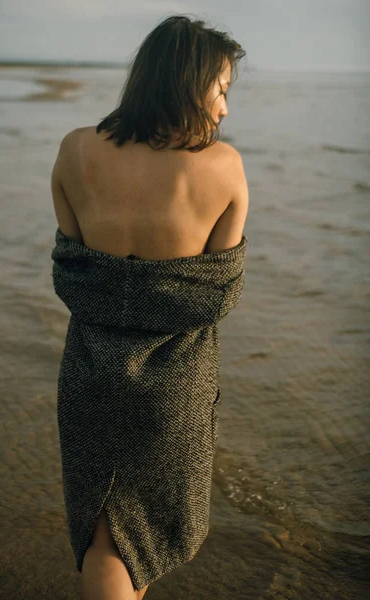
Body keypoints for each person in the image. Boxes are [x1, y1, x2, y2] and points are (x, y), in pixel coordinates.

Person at [51, 14, 249, 600]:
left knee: (105, 533)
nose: (225, 108)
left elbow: (73, 266)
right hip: (175, 381)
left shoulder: (75, 149)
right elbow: (219, 290)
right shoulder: (224, 167)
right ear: (188, 82)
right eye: (221, 89)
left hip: (89, 370)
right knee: (130, 546)